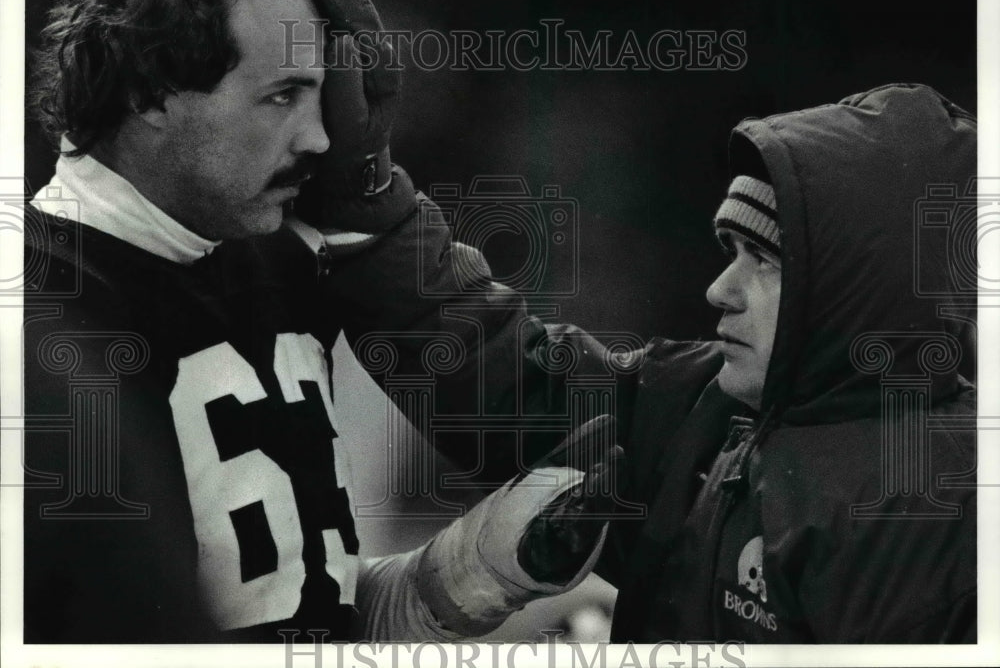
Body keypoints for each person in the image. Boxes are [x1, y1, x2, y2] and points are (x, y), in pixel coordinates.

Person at [21, 0, 618, 643]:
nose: (318, 136)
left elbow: (287, 606)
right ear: (149, 94)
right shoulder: (39, 304)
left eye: (318, 92)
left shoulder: (279, 257)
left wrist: (461, 577)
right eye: (281, 96)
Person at [328, 82, 977, 643]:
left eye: (768, 261)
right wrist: (363, 200)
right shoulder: (703, 403)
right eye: (733, 250)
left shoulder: (947, 516)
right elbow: (500, 379)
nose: (719, 289)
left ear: (859, 285)